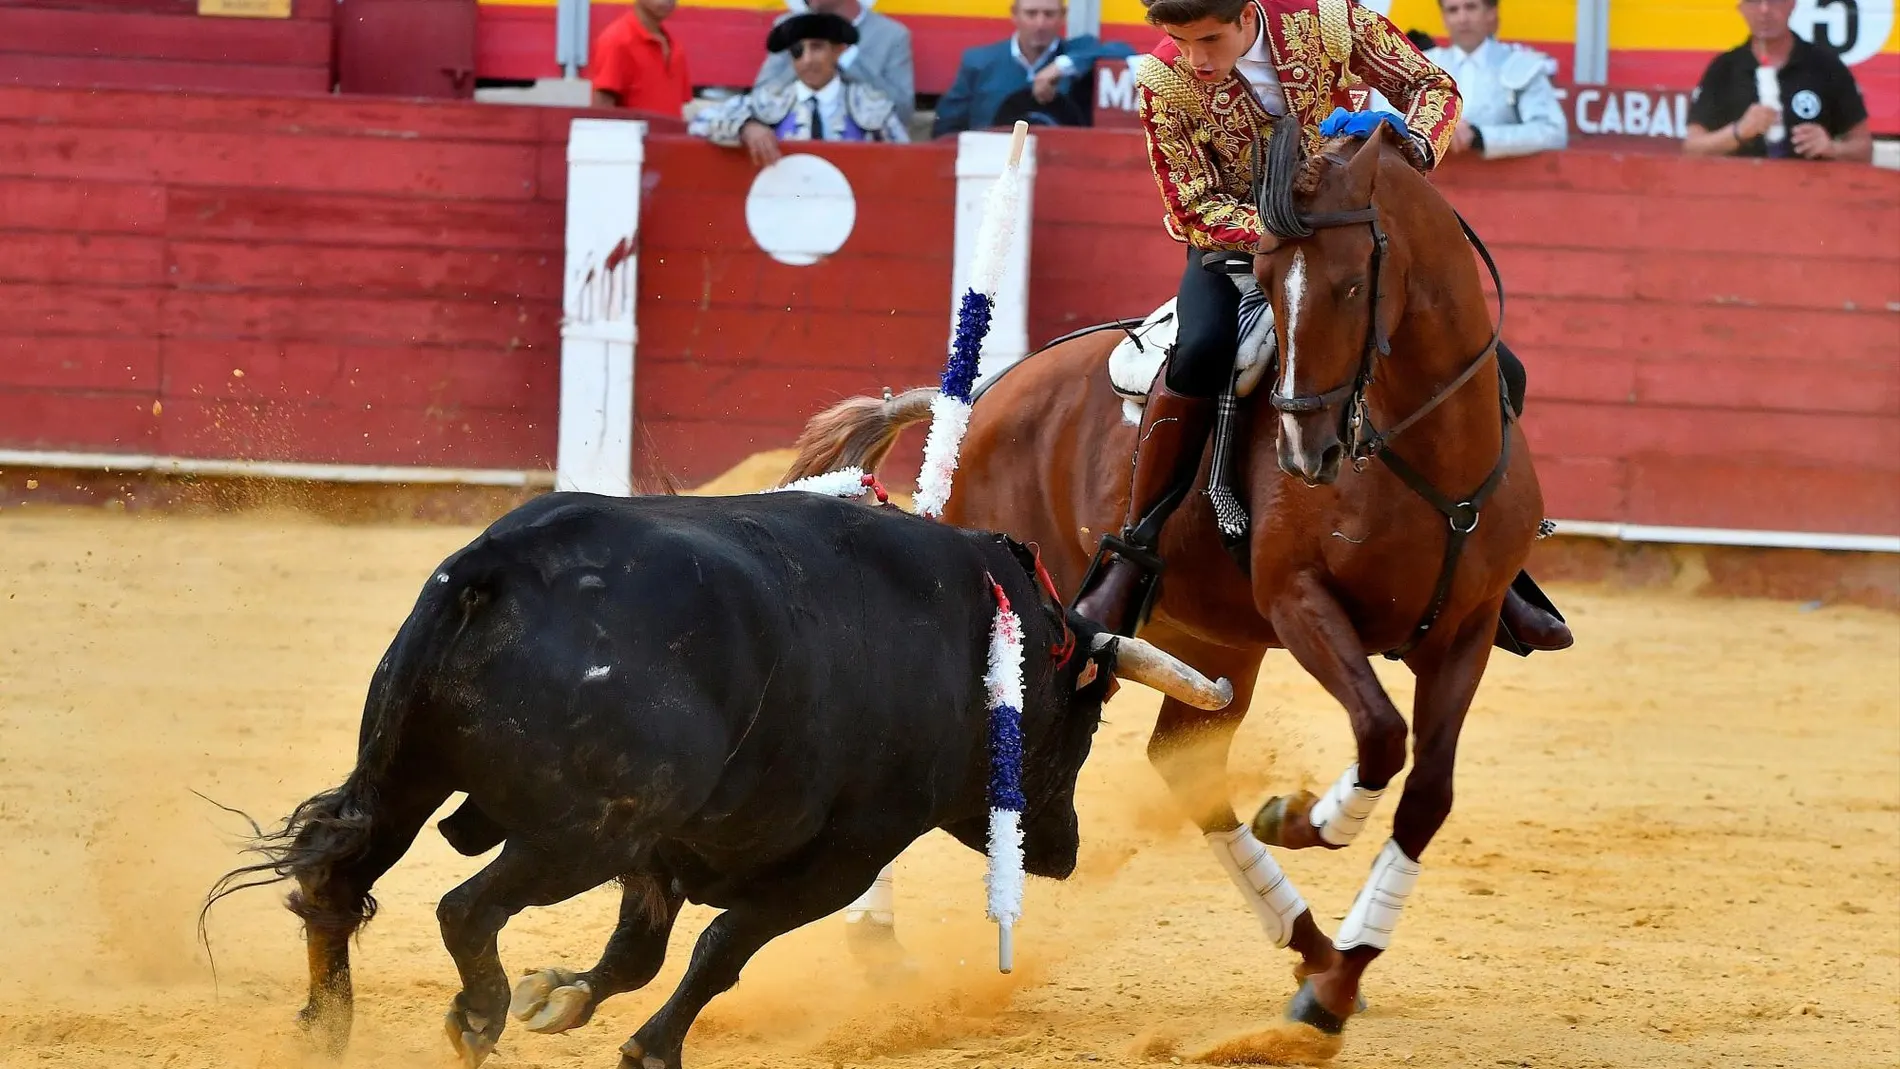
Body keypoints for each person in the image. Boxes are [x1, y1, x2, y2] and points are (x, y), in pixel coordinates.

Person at [1070, 0, 1573, 654]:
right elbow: (1191, 205)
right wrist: (1282, 230)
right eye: (1178, 40)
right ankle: (1135, 551)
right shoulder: (1163, 83)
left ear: (1247, 13)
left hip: (1353, 244)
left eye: (1209, 38)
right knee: (1199, 352)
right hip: (1240, 256)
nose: (1194, 57)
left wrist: (1413, 141)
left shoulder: (1326, 21)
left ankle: (1493, 563)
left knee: (1496, 367)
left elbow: (1432, 87)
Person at [690, 12, 909, 167]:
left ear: (839, 51)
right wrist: (746, 127)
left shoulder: (869, 105)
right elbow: (699, 123)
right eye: (797, 51)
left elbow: (906, 159)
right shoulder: (771, 101)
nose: (807, 60)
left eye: (817, 47)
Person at [1682, 0, 1871, 162]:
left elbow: (1864, 150)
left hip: (1809, 196)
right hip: (1741, 197)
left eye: (1774, 0)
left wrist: (1832, 148)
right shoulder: (1724, 69)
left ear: (1792, 4)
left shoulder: (1826, 67)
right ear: (1741, 9)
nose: (1764, 10)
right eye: (1754, 1)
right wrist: (1738, 132)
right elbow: (1692, 149)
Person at [932, 0, 1137, 137]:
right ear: (1015, 15)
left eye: (1049, 14)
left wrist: (1062, 65)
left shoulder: (1077, 55)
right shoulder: (979, 62)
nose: (1040, 23)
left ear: (1062, 16)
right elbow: (946, 129)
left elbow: (1124, 51)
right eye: (1031, 14)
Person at [1425, 0, 1567, 158]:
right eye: (1453, 10)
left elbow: (1552, 132)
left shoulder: (1520, 64)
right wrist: (1436, 127)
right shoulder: (1426, 65)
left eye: (1471, 7)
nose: (1462, 18)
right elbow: (1395, 121)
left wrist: (1480, 137)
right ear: (1444, 18)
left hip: (1506, 179)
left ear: (1491, 13)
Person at [754, 0, 917, 129]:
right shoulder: (790, 27)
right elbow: (761, 94)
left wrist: (848, 61)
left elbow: (902, 111)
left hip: (861, 147)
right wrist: (805, 60)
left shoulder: (891, 35)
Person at [589, 0, 692, 117]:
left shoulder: (676, 49)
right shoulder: (617, 41)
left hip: (667, 135)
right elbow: (601, 115)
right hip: (630, 135)